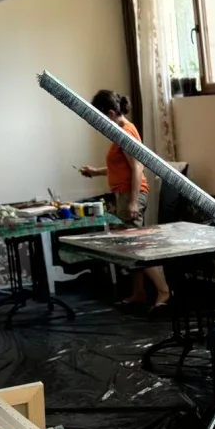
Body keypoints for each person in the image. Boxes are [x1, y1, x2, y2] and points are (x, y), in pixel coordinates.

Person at [81, 90, 170, 312]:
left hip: (131, 194)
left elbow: (137, 167)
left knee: (135, 246)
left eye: (100, 118)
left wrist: (133, 202)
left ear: (111, 114)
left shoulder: (125, 132)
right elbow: (120, 167)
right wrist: (95, 172)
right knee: (132, 246)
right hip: (124, 194)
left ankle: (163, 291)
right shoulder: (121, 131)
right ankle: (139, 293)